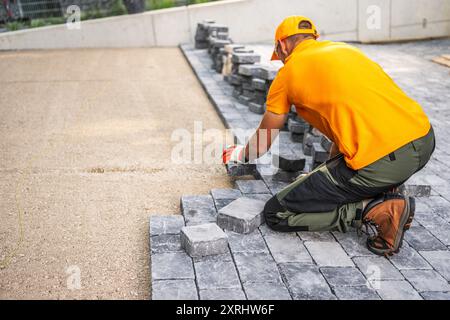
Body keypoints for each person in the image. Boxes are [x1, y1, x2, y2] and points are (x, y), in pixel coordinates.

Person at [222, 16, 435, 256]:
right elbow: (344, 131)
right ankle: (386, 189)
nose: (280, 61)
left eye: (279, 55)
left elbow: (262, 142)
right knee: (338, 177)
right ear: (314, 38)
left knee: (276, 212)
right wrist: (323, 176)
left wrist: (240, 153)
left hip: (382, 161)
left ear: (282, 46)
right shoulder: (345, 51)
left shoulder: (289, 73)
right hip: (424, 139)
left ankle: (378, 211)